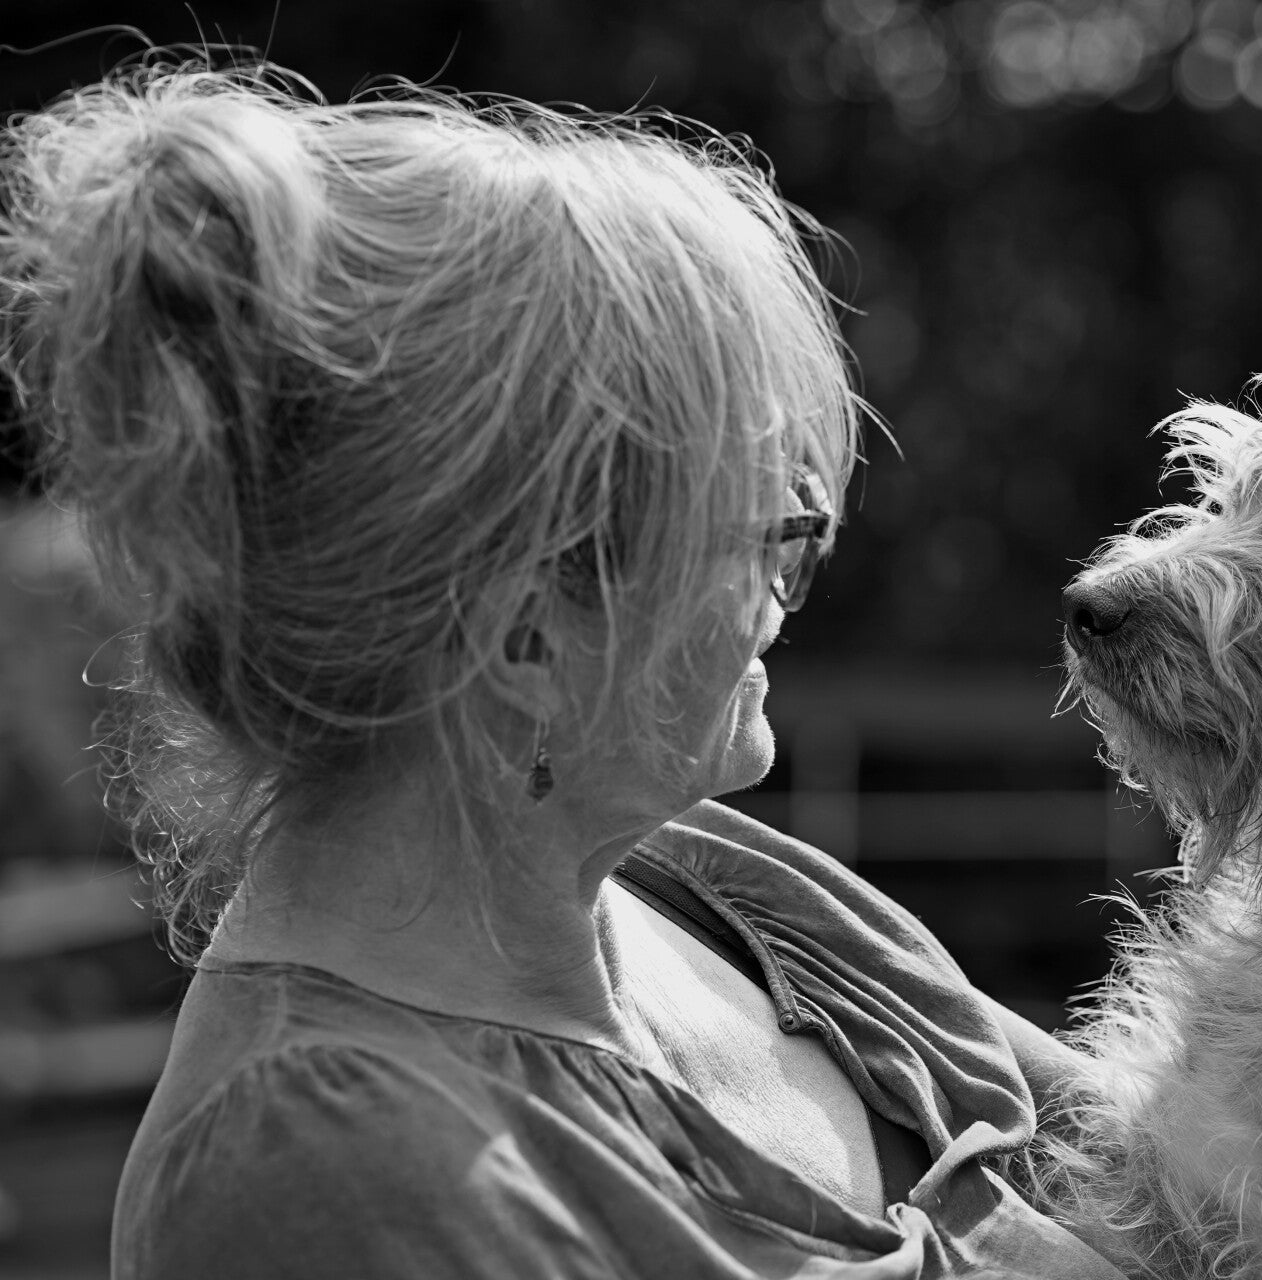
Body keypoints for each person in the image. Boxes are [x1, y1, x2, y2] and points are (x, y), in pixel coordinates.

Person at [0, 62, 1117, 1279]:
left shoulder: (712, 885)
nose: (791, 587)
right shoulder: (311, 1170)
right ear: (529, 635)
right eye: (767, 534)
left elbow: (1212, 1189)